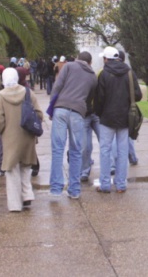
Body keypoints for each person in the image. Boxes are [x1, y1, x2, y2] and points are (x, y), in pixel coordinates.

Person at [0, 68, 42, 212]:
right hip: (27, 135)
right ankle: (27, 195)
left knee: (12, 170)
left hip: (10, 137)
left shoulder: (0, 96)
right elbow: (39, 114)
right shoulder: (28, 93)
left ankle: (15, 204)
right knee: (26, 167)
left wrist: (1, 131)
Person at [50, 52, 97, 199]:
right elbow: (89, 99)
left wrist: (52, 107)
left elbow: (57, 87)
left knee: (58, 149)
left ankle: (56, 188)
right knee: (76, 150)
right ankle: (75, 190)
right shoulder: (93, 77)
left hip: (61, 108)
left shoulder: (68, 66)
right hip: (78, 112)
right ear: (90, 62)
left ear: (77, 58)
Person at [94, 46, 142, 193]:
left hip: (107, 117)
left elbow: (99, 98)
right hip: (125, 117)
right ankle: (121, 185)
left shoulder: (104, 74)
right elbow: (138, 95)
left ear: (106, 59)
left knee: (105, 151)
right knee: (122, 151)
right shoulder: (129, 72)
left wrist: (99, 113)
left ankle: (105, 184)